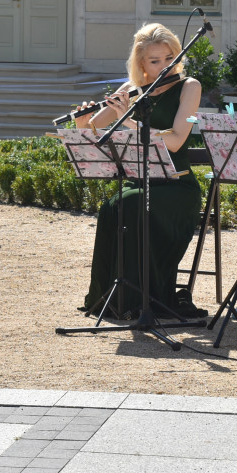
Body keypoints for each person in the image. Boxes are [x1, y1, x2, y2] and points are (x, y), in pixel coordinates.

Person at [75, 22, 205, 319]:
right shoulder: (131, 90)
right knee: (113, 206)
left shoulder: (190, 87)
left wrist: (129, 121)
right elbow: (93, 130)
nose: (165, 67)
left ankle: (141, 300)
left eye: (170, 58)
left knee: (131, 204)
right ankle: (109, 298)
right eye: (155, 61)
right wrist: (82, 123)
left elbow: (176, 141)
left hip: (176, 186)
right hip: (142, 181)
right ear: (141, 63)